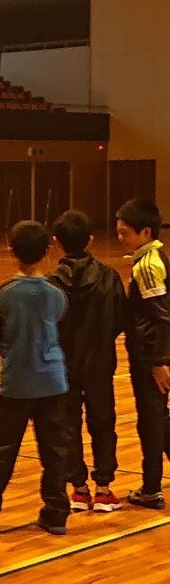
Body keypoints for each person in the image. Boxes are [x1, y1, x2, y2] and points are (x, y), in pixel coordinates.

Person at [0, 221, 70, 535]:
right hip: (52, 381)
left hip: (15, 381)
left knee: (2, 448)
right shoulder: (57, 295)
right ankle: (56, 513)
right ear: (48, 250)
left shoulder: (3, 295)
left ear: (11, 251)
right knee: (55, 450)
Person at [48, 210, 125, 512]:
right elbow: (120, 318)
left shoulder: (52, 282)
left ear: (56, 242)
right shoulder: (108, 276)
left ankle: (79, 489)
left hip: (63, 364)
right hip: (100, 362)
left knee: (67, 425)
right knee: (104, 422)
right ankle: (103, 488)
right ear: (90, 240)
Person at [116, 198, 170, 509]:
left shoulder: (148, 266)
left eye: (125, 232)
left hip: (150, 357)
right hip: (152, 354)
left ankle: (151, 489)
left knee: (151, 421)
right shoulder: (149, 259)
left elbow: (159, 317)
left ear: (145, 232)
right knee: (158, 418)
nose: (120, 238)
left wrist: (157, 361)